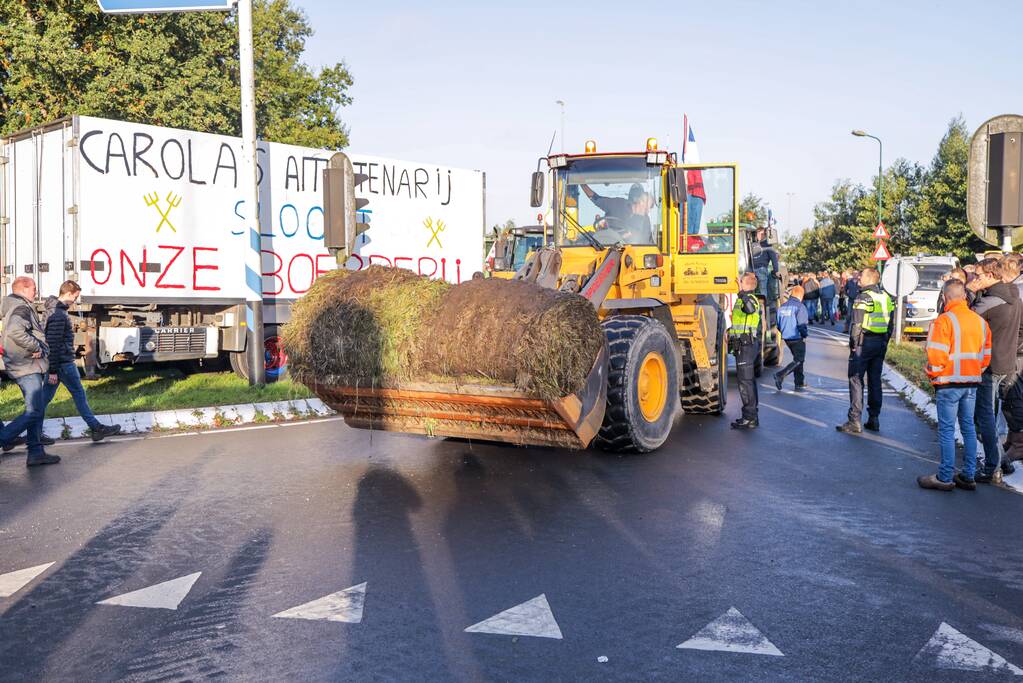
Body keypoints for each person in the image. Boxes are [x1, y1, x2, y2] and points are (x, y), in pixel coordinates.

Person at [917, 280, 991, 491]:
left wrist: (933, 374)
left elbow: (936, 355)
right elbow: (986, 356)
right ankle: (968, 475)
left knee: (947, 430)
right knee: (968, 428)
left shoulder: (943, 321)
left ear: (944, 298)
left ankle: (945, 476)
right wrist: (976, 372)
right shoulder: (980, 322)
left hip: (948, 384)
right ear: (965, 297)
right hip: (972, 384)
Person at [42, 281, 121, 442]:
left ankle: (30, 434)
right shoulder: (58, 314)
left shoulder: (52, 310)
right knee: (78, 395)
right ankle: (97, 429)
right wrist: (53, 370)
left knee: (42, 401)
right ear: (68, 294)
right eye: (75, 297)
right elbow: (54, 344)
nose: (75, 301)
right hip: (63, 364)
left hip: (59, 364)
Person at [968, 257, 1023, 484]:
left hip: (989, 365)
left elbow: (966, 320)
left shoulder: (991, 301)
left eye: (979, 276)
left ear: (992, 276)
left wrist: (970, 293)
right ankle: (1001, 460)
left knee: (985, 417)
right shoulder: (1015, 297)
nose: (976, 279)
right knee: (993, 413)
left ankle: (992, 465)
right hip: (1007, 361)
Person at [0, 276, 57, 466]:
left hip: (24, 365)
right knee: (34, 411)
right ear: (24, 289)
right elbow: (16, 332)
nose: (36, 292)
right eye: (34, 289)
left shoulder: (15, 306)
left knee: (37, 410)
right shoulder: (21, 308)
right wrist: (36, 347)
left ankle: (36, 451)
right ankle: (4, 438)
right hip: (26, 366)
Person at [837, 268, 893, 434]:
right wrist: (885, 340)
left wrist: (853, 344)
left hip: (864, 343)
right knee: (875, 380)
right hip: (880, 343)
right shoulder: (885, 297)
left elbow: (857, 324)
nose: (858, 278)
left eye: (861, 276)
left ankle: (854, 420)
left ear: (868, 278)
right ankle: (874, 419)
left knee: (856, 379)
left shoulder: (863, 297)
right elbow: (891, 324)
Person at [1000, 256, 1023, 464]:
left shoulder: (1018, 291)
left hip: (1018, 351)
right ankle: (1012, 438)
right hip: (1016, 349)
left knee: (1013, 395)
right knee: (1010, 395)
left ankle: (1019, 444)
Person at [730, 272, 761, 429]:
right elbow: (739, 322)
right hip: (743, 344)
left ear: (746, 284)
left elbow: (749, 309)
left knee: (745, 383)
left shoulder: (749, 299)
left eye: (740, 281)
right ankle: (751, 415)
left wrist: (741, 293)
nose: (737, 283)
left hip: (747, 345)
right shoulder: (743, 298)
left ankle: (749, 418)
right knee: (748, 381)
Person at [580, 182, 653, 242]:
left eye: (648, 207)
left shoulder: (645, 221)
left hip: (633, 252)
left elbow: (646, 241)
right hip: (607, 245)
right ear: (640, 201)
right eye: (646, 206)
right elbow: (595, 198)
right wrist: (581, 182)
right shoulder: (617, 203)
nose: (647, 210)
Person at [773, 285, 809, 391]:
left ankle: (799, 382)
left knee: (797, 359)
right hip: (796, 336)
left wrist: (784, 331)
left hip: (787, 338)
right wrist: (804, 334)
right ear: (801, 295)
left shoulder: (782, 307)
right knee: (799, 359)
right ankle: (780, 375)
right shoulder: (800, 307)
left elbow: (778, 324)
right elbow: (802, 324)